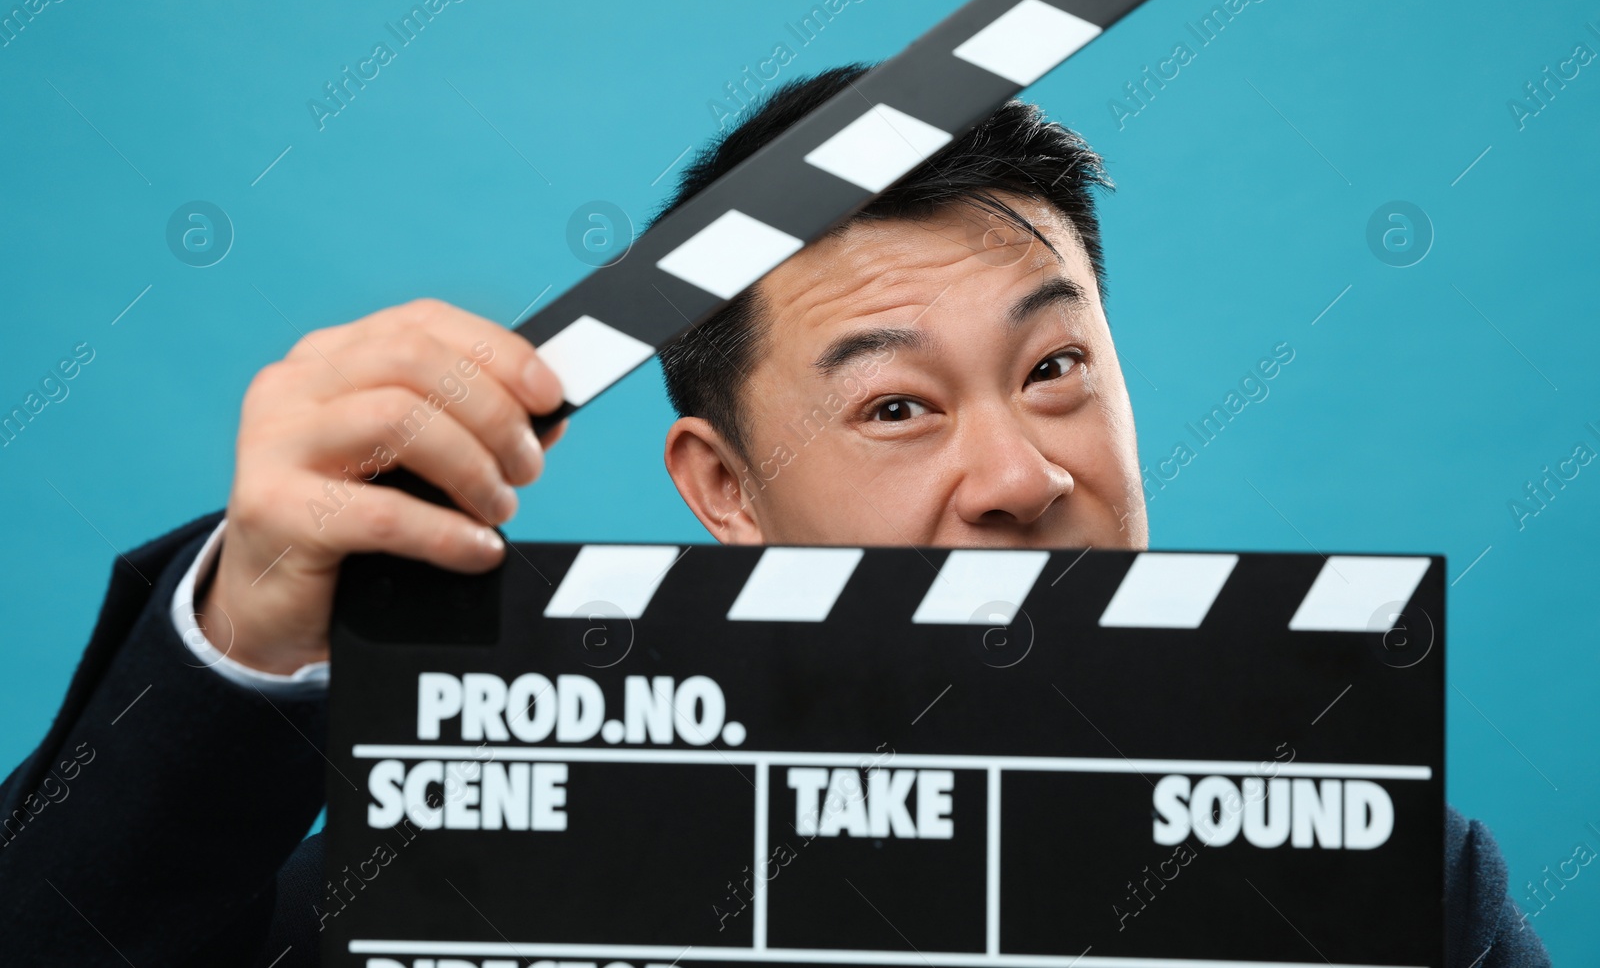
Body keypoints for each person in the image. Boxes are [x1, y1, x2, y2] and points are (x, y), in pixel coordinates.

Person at [0, 65, 1548, 967]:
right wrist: (247, 634)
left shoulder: (1392, 886)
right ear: (721, 489)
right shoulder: (482, 871)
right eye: (895, 407)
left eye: (1059, 365)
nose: (1019, 474)